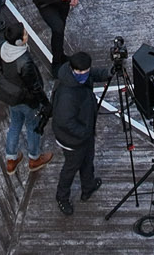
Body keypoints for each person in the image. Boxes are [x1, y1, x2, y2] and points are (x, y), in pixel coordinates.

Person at [0, 19, 52, 176]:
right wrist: (46, 103)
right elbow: (34, 86)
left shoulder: (1, 48)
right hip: (27, 100)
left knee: (15, 124)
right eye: (25, 34)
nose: (27, 35)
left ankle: (11, 159)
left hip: (11, 96)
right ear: (19, 41)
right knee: (32, 126)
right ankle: (34, 158)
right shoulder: (24, 61)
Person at [51, 51, 102, 216]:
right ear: (73, 69)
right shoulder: (68, 94)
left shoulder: (79, 77)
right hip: (72, 140)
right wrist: (85, 132)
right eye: (80, 72)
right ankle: (62, 197)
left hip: (84, 135)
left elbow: (92, 74)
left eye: (85, 71)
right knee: (70, 169)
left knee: (88, 160)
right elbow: (64, 122)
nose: (84, 75)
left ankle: (88, 187)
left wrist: (108, 73)